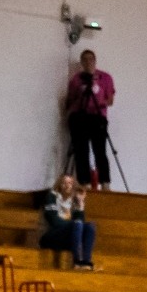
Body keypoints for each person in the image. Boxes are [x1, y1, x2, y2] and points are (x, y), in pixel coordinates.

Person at [63, 48, 115, 189]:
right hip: (79, 118)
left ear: (95, 60)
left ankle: (105, 183)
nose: (88, 62)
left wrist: (97, 96)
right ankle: (83, 183)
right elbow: (70, 99)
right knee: (81, 150)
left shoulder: (105, 78)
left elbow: (110, 100)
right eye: (84, 59)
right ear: (81, 62)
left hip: (97, 117)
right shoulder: (76, 79)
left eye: (90, 59)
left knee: (100, 150)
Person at [39, 173, 96, 269]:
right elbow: (54, 221)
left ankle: (86, 262)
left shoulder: (73, 200)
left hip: (68, 238)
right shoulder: (52, 196)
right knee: (77, 224)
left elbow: (80, 224)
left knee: (90, 226)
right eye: (64, 183)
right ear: (59, 185)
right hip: (51, 236)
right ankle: (77, 262)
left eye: (70, 183)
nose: (67, 186)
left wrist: (80, 205)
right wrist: (73, 225)